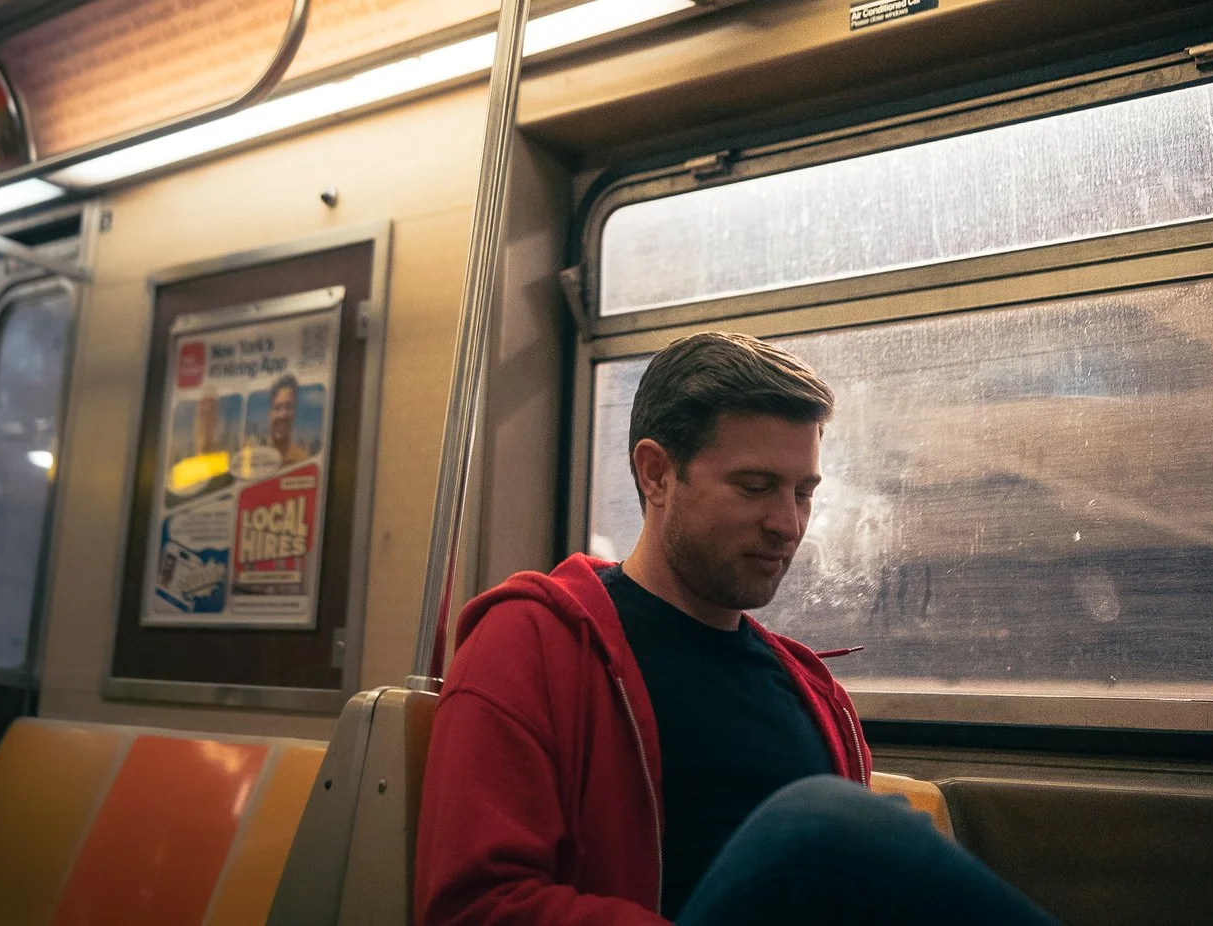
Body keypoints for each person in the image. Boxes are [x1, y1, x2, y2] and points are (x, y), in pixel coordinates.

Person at [415, 331, 1056, 925]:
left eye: (803, 492)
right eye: (755, 487)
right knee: (822, 825)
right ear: (657, 474)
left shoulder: (806, 687)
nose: (787, 523)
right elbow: (477, 907)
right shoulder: (534, 642)